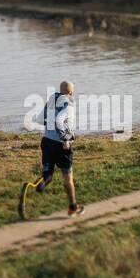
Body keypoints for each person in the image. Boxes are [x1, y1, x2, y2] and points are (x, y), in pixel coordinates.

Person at [36, 80, 84, 216]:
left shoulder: (51, 100)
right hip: (61, 146)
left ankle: (44, 181)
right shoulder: (69, 105)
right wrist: (65, 140)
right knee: (68, 178)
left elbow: (40, 119)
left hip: (46, 141)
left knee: (48, 174)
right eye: (72, 91)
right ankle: (73, 208)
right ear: (70, 92)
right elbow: (58, 120)